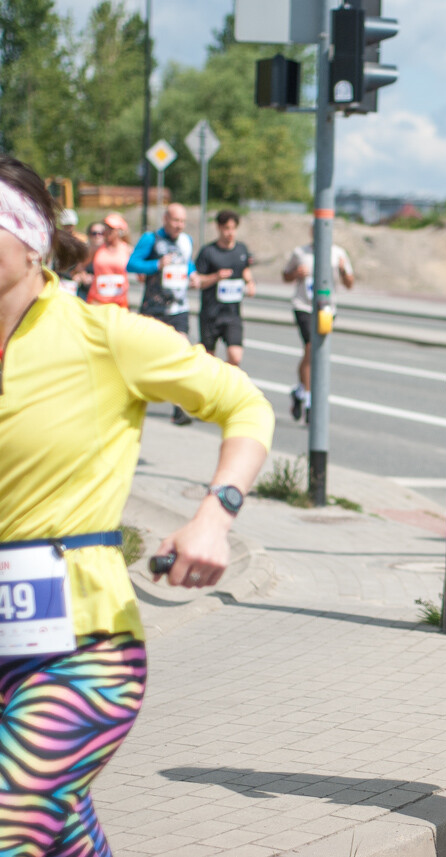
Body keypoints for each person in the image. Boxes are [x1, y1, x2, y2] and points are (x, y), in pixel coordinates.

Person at [0, 154, 273, 857]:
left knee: (9, 818)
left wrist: (214, 515)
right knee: (54, 835)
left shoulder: (102, 337)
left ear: (31, 241)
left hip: (81, 647)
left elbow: (245, 404)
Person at [128, 203, 196, 425]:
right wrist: (157, 264)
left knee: (182, 353)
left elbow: (188, 263)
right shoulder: (151, 239)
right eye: (175, 220)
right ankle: (133, 399)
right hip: (154, 308)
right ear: (165, 219)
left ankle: (179, 408)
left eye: (182, 221)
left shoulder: (186, 240)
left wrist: (193, 274)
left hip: (179, 308)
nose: (179, 225)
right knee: (147, 357)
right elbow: (132, 264)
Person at [282, 230, 354, 422]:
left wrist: (343, 270)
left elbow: (349, 283)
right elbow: (285, 276)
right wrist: (296, 273)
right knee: (310, 347)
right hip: (304, 306)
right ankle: (309, 400)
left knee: (316, 351)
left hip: (327, 309)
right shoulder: (300, 253)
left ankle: (299, 391)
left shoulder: (338, 253)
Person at [195, 209, 256, 368]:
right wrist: (216, 277)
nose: (230, 233)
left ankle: (224, 381)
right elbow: (197, 281)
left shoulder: (241, 249)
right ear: (219, 228)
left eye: (233, 228)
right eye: (226, 228)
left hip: (232, 314)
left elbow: (244, 269)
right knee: (207, 360)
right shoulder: (208, 252)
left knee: (235, 357)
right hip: (211, 314)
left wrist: (250, 283)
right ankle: (212, 381)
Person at [86, 213, 133, 308]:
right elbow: (80, 267)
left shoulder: (128, 250)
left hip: (119, 303)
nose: (107, 231)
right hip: (97, 302)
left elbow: (140, 272)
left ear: (120, 231)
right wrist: (84, 275)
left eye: (111, 228)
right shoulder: (96, 248)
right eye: (106, 227)